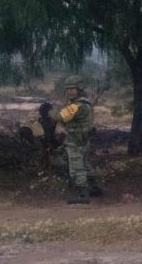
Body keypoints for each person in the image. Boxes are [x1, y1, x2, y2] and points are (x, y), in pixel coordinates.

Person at [39, 75, 101, 204]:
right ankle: (95, 188)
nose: (70, 91)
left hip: (75, 140)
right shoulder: (82, 103)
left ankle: (83, 194)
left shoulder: (78, 106)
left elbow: (60, 117)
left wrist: (48, 111)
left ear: (79, 89)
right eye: (68, 89)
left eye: (73, 88)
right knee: (84, 164)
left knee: (76, 166)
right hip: (81, 139)